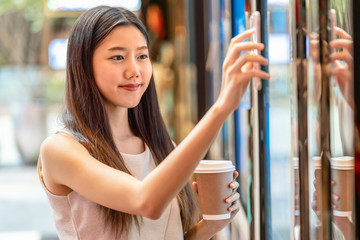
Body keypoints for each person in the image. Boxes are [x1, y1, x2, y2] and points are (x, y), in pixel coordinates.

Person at [37, 5, 269, 240]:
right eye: (118, 57)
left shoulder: (161, 146)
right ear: (83, 65)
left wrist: (210, 225)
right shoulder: (60, 151)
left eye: (142, 56)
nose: (134, 70)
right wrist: (222, 106)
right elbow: (145, 201)